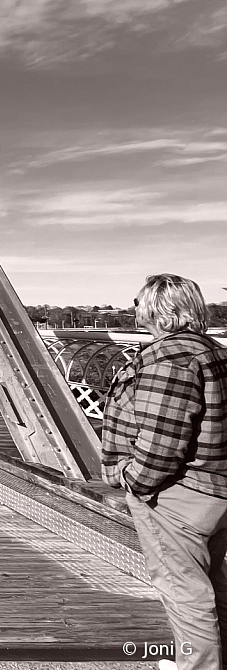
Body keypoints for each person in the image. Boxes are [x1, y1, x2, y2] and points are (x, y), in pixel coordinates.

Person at [102, 274, 227, 670]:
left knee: (183, 591)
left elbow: (163, 440)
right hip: (216, 486)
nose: (133, 307)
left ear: (160, 308)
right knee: (216, 588)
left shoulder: (168, 361)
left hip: (179, 495)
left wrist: (133, 479)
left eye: (138, 300)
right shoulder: (214, 352)